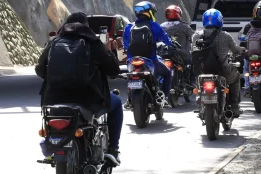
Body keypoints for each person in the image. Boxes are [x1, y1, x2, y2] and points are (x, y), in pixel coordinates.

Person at [35, 12, 123, 165]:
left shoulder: (54, 42)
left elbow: (40, 70)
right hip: (89, 99)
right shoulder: (93, 43)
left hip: (54, 99)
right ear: (86, 27)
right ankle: (113, 149)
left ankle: (52, 149)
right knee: (115, 103)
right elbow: (113, 69)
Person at [192, 9, 244, 117]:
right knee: (236, 78)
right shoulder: (226, 36)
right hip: (223, 71)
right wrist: (241, 50)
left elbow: (192, 51)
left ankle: (199, 100)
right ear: (220, 21)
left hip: (202, 71)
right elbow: (235, 50)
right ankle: (234, 105)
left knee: (198, 80)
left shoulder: (196, 36)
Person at [123, 1, 173, 108]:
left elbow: (126, 45)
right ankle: (165, 98)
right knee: (168, 73)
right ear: (149, 13)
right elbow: (166, 40)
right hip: (151, 61)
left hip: (131, 61)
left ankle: (129, 99)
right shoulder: (154, 26)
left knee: (130, 76)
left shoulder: (129, 27)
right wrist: (171, 43)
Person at [160, 5, 195, 86]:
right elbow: (194, 36)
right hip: (182, 54)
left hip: (164, 53)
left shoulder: (162, 26)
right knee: (193, 60)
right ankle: (192, 81)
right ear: (179, 14)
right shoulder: (184, 26)